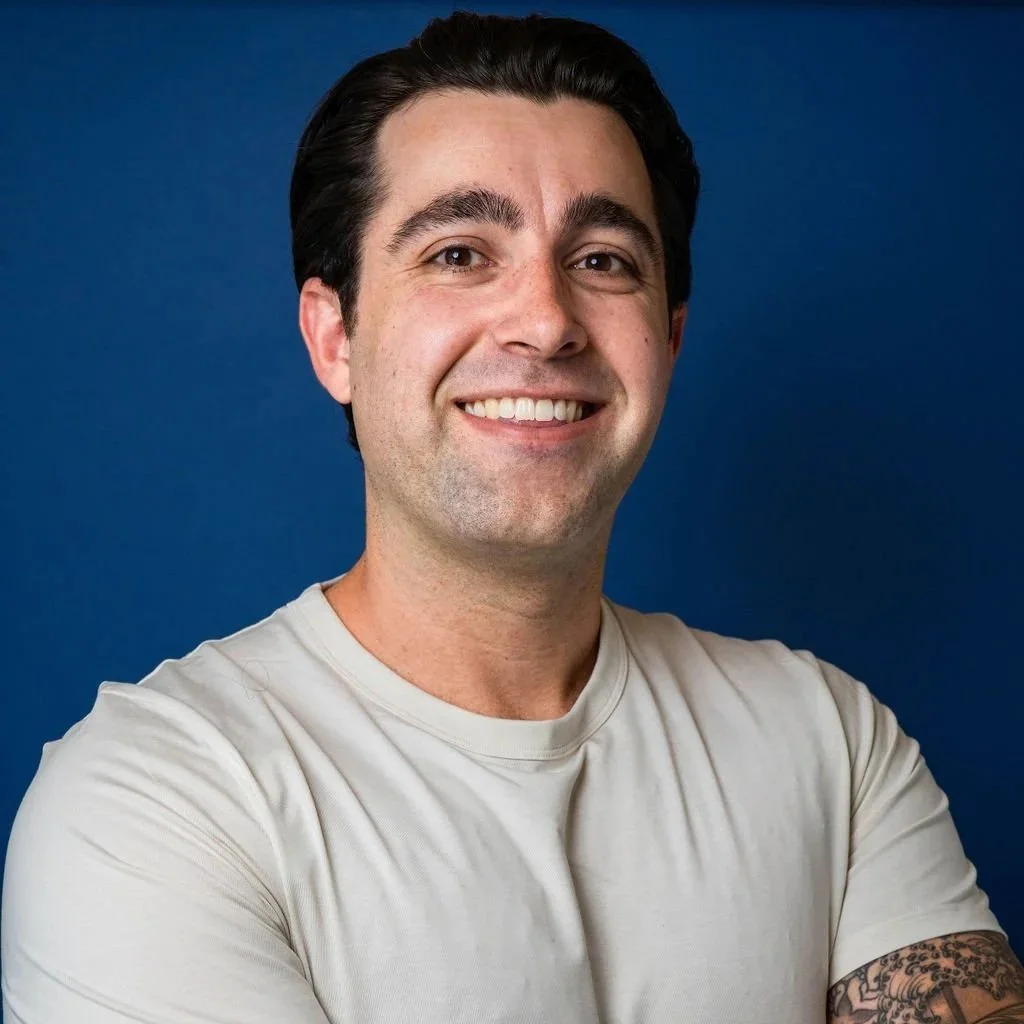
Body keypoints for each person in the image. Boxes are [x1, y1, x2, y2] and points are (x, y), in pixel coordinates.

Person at [2, 10, 1020, 1024]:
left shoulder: (828, 741)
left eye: (603, 260)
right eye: (457, 253)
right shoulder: (158, 801)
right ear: (334, 338)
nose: (544, 318)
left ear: (666, 340)